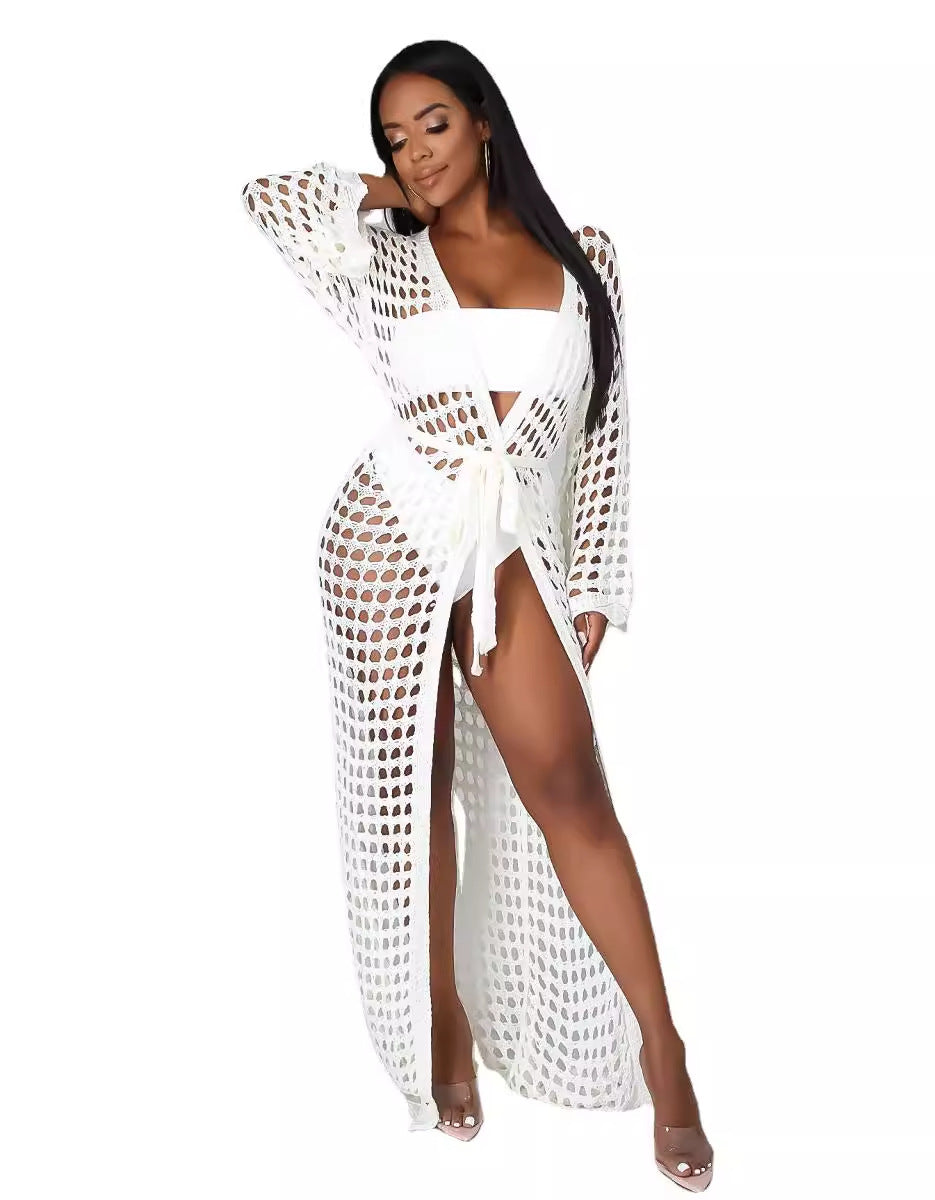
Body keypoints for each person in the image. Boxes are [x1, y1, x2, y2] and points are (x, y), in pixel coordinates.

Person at [241, 38, 714, 1191]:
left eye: (435, 125)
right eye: (394, 137)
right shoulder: (386, 255)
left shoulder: (586, 257)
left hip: (512, 553)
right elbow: (269, 198)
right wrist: (390, 192)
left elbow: (604, 432)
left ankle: (664, 1049)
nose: (416, 152)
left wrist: (592, 579)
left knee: (570, 791)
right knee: (415, 792)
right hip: (389, 537)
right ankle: (439, 1022)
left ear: (486, 118)